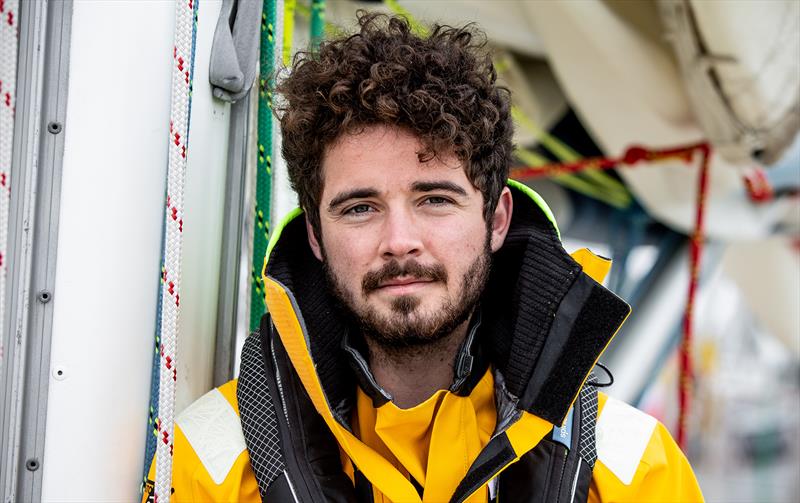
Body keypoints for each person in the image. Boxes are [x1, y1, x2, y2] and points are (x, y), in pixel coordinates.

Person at [143, 12, 703, 503]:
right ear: (314, 234)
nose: (399, 240)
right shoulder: (211, 465)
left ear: (497, 219)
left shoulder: (633, 472)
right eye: (360, 208)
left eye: (435, 200)